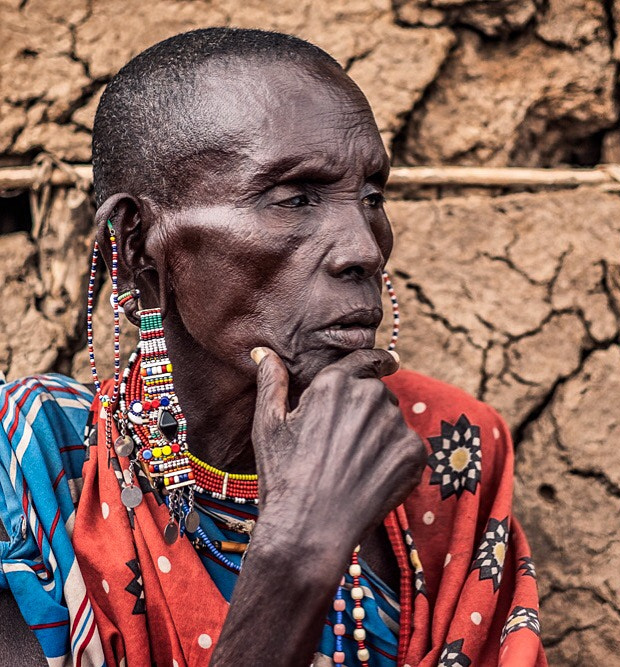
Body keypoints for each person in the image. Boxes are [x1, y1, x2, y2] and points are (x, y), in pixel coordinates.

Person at [0, 28, 546, 667]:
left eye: (372, 196)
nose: (363, 248)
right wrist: (297, 551)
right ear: (138, 247)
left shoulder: (449, 449)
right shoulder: (32, 468)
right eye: (294, 198)